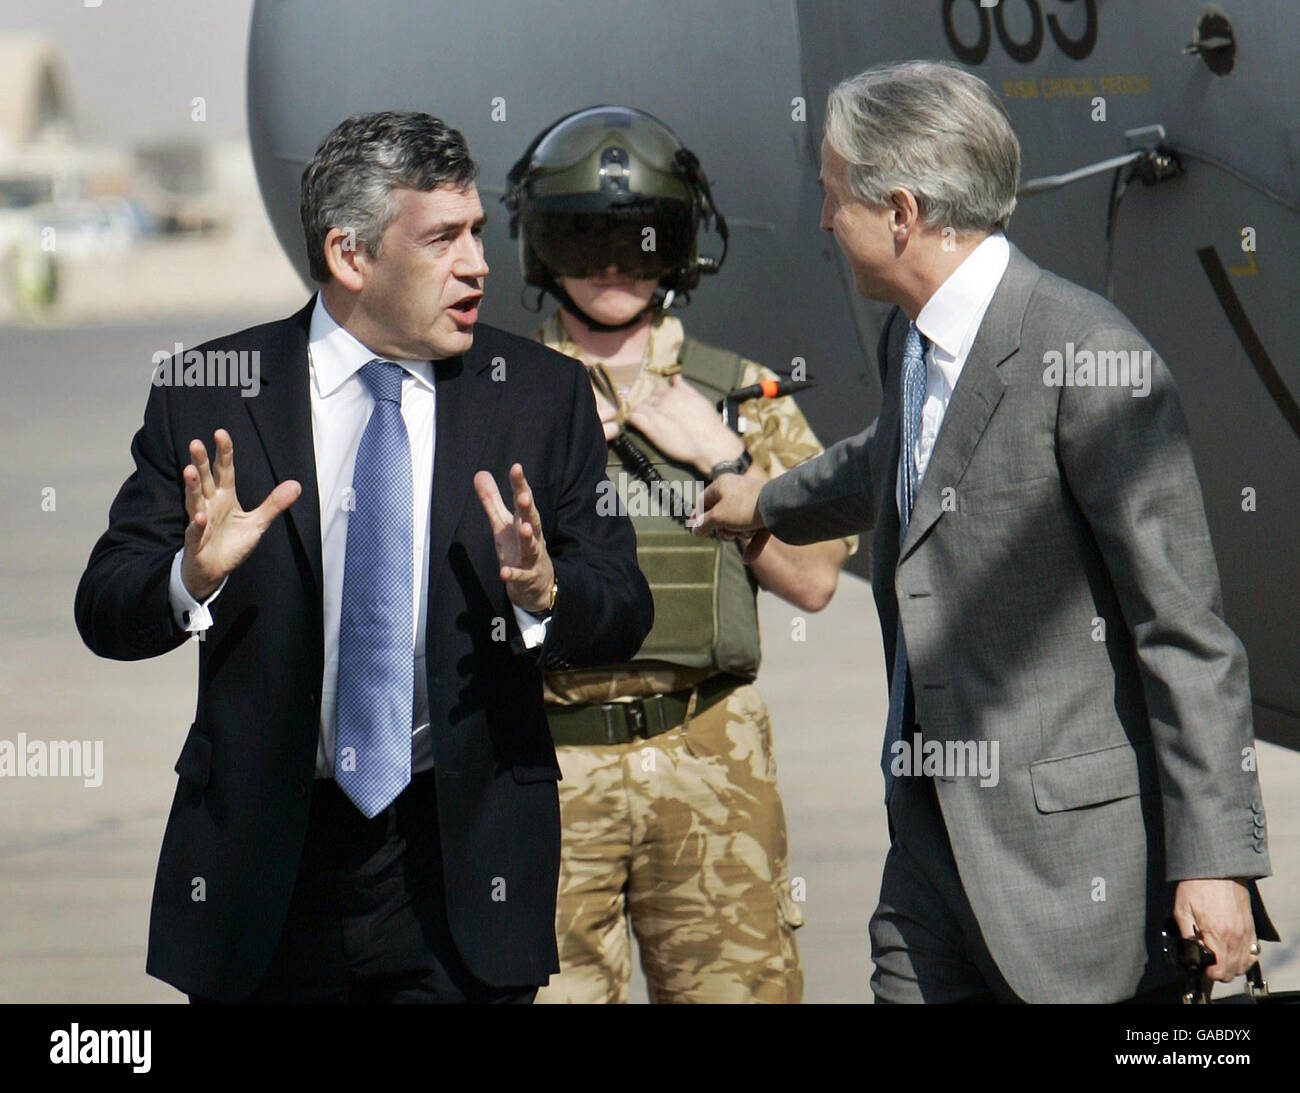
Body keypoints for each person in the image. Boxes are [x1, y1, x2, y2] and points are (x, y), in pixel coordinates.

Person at [694, 61, 1276, 1003]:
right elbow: (888, 457)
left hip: (1068, 878)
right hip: (927, 853)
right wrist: (762, 503)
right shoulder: (913, 341)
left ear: (901, 213)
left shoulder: (1090, 360)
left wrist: (1215, 861)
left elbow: (1187, 633)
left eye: (833, 195)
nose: (820, 220)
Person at [74, 111, 653, 1004]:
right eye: (443, 239)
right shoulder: (209, 393)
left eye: (478, 234)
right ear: (351, 257)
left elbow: (623, 602)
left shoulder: (541, 395)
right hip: (266, 877)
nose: (478, 264)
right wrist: (192, 576)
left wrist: (545, 593)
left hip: (461, 869)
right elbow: (106, 607)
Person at [504, 105, 854, 1003]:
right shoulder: (493, 396)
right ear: (543, 251)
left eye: (640, 240)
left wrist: (727, 462)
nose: (615, 265)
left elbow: (816, 581)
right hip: (543, 760)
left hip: (709, 751)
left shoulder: (740, 395)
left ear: (683, 250)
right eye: (585, 239)